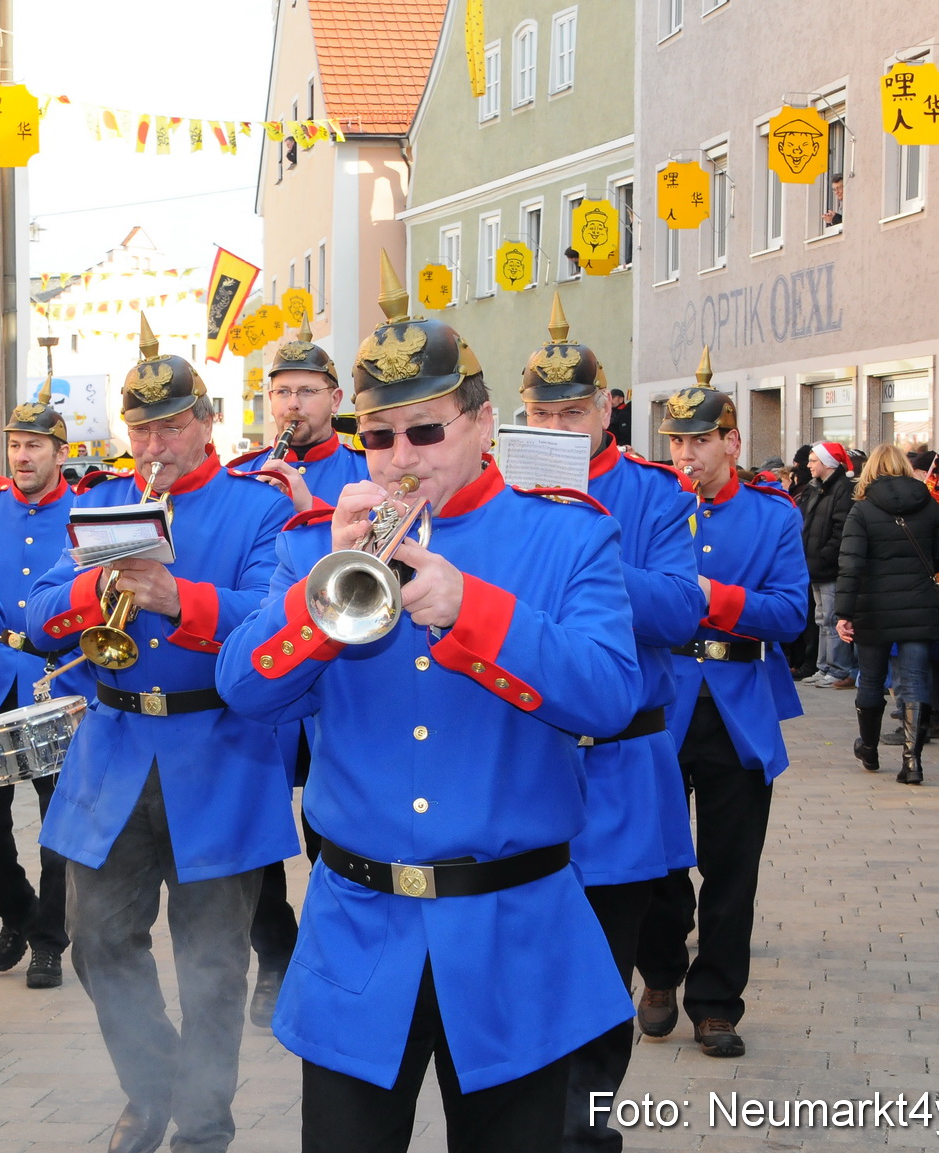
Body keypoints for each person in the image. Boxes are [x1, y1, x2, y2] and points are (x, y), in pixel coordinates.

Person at [216, 259, 639, 1153]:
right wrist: (319, 599)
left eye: (425, 431)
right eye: (378, 437)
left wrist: (475, 611)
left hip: (513, 933)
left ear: (482, 423)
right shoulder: (313, 545)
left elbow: (608, 697)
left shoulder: (567, 531)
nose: (401, 458)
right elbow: (245, 689)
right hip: (357, 933)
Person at [27, 315, 297, 1153]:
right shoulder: (100, 499)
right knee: (97, 942)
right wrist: (94, 588)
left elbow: (271, 617)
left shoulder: (257, 508)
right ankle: (154, 1088)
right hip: (111, 751)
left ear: (206, 420)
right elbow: (36, 616)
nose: (155, 441)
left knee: (213, 962)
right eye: (141, 426)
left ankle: (203, 1124)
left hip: (219, 749)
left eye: (171, 423)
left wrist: (175, 595)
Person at [519, 298, 702, 1153]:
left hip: (622, 771)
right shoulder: (495, 495)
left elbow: (677, 606)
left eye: (572, 412)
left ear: (605, 410)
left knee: (600, 979)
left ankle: (586, 1134)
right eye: (541, 414)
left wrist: (582, 553)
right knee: (526, 977)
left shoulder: (650, 493)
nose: (556, 426)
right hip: (522, 763)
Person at [635, 373, 809, 1060]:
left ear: (731, 440)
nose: (686, 454)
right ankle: (658, 972)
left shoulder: (772, 517)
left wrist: (713, 594)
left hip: (738, 703)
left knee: (731, 867)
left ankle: (715, 1004)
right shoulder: (651, 509)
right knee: (654, 858)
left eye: (699, 439)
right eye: (676, 440)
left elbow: (791, 614)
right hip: (660, 701)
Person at [226, 319, 368, 1027]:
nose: (290, 405)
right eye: (279, 392)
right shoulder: (247, 475)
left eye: (305, 391)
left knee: (332, 833)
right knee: (255, 833)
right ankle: (275, 952)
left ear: (334, 396)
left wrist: (309, 509)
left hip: (340, 682)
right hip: (276, 678)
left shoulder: (366, 469)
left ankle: (333, 952)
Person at [0, 381, 85, 990]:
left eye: (35, 445)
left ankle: (49, 938)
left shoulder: (84, 510)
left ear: (61, 452)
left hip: (58, 679)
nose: (23, 456)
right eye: (15, 445)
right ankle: (17, 911)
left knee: (58, 817)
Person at [836, 446, 939, 785]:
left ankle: (869, 749)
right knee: (916, 679)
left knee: (872, 679)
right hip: (918, 602)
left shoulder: (862, 510)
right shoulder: (929, 504)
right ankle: (912, 760)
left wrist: (844, 612)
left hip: (872, 605)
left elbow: (851, 565)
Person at [798, 442, 855, 688]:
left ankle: (838, 668)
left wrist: (823, 556)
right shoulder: (818, 489)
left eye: (813, 461)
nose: (808, 465)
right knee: (822, 619)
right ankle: (824, 666)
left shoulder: (841, 489)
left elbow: (841, 530)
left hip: (829, 566)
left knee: (832, 619)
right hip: (816, 565)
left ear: (827, 463)